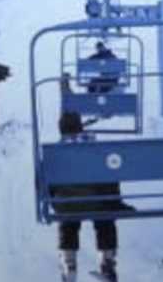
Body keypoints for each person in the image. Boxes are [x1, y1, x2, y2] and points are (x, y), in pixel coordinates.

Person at [50, 110, 123, 282]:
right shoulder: (95, 149)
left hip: (66, 205)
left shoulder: (54, 152)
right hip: (97, 203)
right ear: (81, 128)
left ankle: (69, 264)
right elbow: (110, 178)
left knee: (68, 221)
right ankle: (107, 262)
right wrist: (114, 200)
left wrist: (55, 201)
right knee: (105, 220)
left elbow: (47, 184)